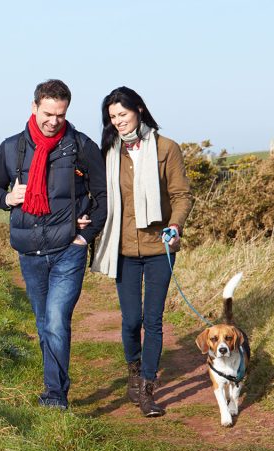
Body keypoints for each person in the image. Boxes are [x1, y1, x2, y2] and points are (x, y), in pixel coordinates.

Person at [0, 79, 107, 410]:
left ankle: (55, 395)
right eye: (48, 113)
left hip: (68, 250)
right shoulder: (11, 148)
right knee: (42, 324)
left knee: (55, 319)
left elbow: (104, 196)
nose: (54, 121)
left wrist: (85, 234)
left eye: (61, 115)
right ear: (34, 107)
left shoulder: (81, 146)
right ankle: (55, 384)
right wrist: (9, 197)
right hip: (30, 254)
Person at [91, 86, 192, 417]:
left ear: (139, 110)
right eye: (112, 117)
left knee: (154, 319)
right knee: (132, 319)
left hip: (158, 247)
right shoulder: (108, 152)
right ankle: (133, 371)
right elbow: (97, 195)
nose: (118, 121)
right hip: (122, 250)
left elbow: (181, 196)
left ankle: (148, 387)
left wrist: (175, 226)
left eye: (123, 114)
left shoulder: (166, 148)